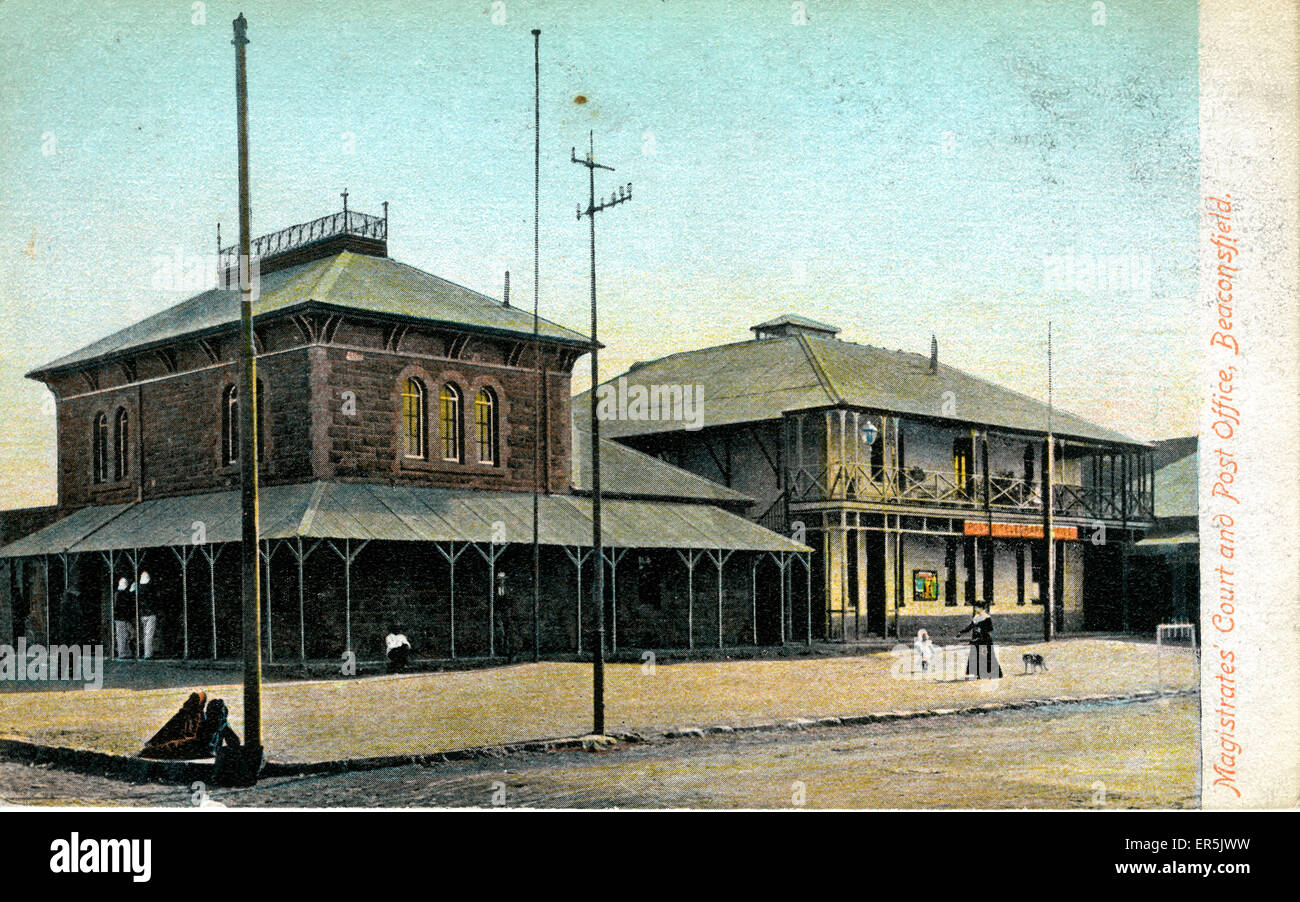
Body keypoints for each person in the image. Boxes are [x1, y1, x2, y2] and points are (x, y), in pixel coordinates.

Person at [959, 603, 1002, 679]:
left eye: (977, 608)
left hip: (985, 640)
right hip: (977, 640)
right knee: (977, 656)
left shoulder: (987, 617)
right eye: (975, 608)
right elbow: (970, 626)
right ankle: (979, 673)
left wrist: (982, 634)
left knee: (986, 656)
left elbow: (990, 630)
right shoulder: (976, 617)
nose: (976, 609)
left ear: (982, 608)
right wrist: (961, 632)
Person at [133, 571, 157, 659]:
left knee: (144, 634)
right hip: (150, 613)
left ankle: (145, 652)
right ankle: (148, 654)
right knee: (149, 634)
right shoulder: (151, 588)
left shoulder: (139, 589)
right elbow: (154, 600)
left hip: (143, 614)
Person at [113, 577, 133, 659]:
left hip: (119, 617)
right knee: (122, 636)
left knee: (122, 635)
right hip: (122, 617)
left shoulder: (117, 593)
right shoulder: (123, 594)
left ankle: (125, 652)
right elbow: (124, 607)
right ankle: (122, 653)